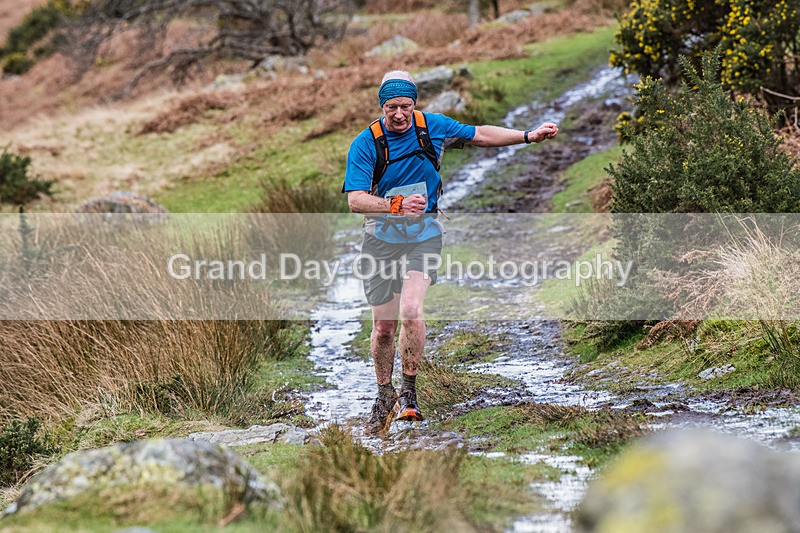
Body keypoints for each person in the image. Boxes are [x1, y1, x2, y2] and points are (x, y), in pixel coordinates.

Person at [343, 70, 558, 435]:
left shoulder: (433, 127)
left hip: (425, 234)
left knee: (411, 310)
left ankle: (409, 394)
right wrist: (394, 205)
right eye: (391, 107)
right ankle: (384, 393)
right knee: (383, 329)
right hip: (380, 238)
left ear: (415, 103)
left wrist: (527, 136)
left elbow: (480, 134)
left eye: (406, 106)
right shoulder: (366, 143)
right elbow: (355, 200)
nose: (399, 114)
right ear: (381, 106)